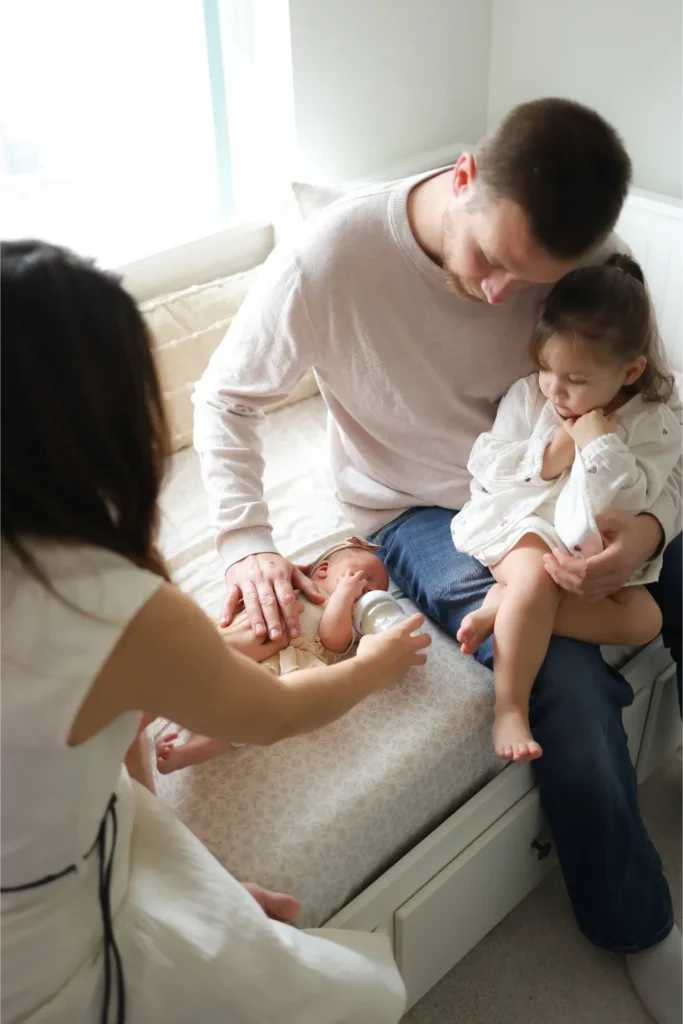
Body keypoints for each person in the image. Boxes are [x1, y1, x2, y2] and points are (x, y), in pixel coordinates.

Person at [194, 97, 683, 1024]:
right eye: (489, 263)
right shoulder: (330, 259)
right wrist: (246, 541)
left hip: (562, 486)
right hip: (424, 510)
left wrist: (652, 529)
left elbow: (647, 403)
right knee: (565, 687)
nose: (504, 296)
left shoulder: (577, 258)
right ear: (462, 177)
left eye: (531, 281)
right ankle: (638, 928)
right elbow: (224, 398)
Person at [0, 240, 432, 1024]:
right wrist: (374, 660)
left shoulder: (107, 608)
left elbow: (97, 717)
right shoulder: (106, 603)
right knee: (344, 993)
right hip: (37, 943)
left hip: (73, 823)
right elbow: (282, 712)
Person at [452, 254, 682, 761]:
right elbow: (487, 466)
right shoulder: (531, 400)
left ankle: (506, 607)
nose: (555, 389)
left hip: (583, 540)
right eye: (545, 369)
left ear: (631, 371)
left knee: (645, 619)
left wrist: (601, 449)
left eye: (574, 379)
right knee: (534, 576)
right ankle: (510, 705)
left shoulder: (654, 423)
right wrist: (555, 451)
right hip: (520, 518)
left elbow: (639, 497)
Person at [155, 538, 390, 773]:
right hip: (247, 635)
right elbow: (260, 590)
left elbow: (331, 639)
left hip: (279, 666)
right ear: (324, 570)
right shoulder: (297, 585)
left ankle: (183, 755)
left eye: (378, 593)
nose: (369, 590)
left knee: (236, 718)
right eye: (364, 576)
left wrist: (345, 595)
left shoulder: (345, 621)